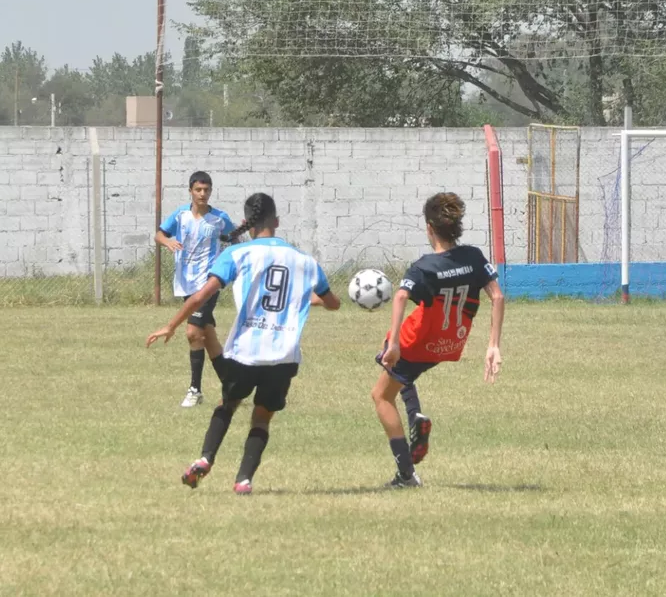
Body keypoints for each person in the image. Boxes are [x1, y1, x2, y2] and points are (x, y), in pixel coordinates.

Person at [147, 193, 340, 494]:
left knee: (228, 404)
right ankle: (244, 480)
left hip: (246, 352)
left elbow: (200, 295)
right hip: (284, 356)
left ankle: (205, 459)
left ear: (246, 224)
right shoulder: (306, 261)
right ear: (277, 221)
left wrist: (170, 325)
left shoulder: (238, 255)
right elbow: (332, 303)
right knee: (261, 417)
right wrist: (302, 301)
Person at [371, 192, 505, 488]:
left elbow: (402, 295)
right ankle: (414, 414)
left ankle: (406, 474)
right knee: (401, 371)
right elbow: (497, 295)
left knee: (381, 395)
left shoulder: (424, 267)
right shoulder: (473, 257)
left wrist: (394, 343)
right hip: (449, 344)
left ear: (429, 228)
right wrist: (493, 345)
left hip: (417, 341)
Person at [155, 171, 236, 408]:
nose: (203, 194)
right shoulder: (180, 216)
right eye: (198, 190)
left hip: (208, 283)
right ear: (190, 191)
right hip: (186, 283)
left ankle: (194, 390)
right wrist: (167, 241)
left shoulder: (220, 219)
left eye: (207, 190)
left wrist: (228, 266)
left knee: (192, 332)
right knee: (207, 335)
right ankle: (231, 386)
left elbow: (234, 241)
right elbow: (159, 234)